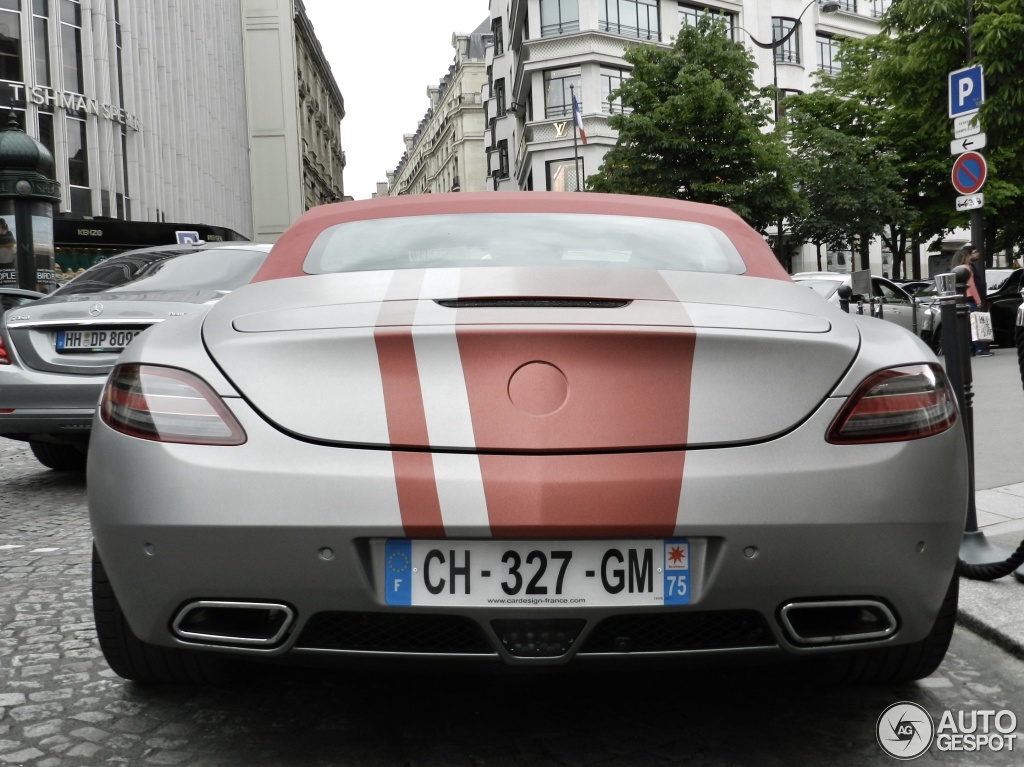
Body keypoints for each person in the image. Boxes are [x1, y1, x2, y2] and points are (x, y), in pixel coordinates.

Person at [950, 245, 990, 357]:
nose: (969, 259)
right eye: (968, 256)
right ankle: (979, 349)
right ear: (965, 258)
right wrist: (978, 301)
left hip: (961, 300)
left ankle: (969, 349)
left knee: (966, 327)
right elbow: (971, 286)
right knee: (975, 326)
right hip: (970, 300)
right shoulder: (967, 269)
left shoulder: (955, 269)